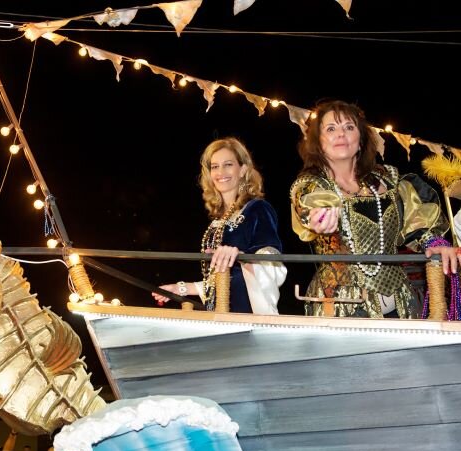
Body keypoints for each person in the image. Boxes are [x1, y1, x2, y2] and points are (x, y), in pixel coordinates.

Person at [290, 100, 459, 318]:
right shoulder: (310, 184)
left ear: (360, 140)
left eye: (349, 127)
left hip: (400, 304)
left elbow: (420, 225)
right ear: (318, 142)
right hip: (341, 307)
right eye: (331, 129)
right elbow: (312, 205)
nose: (341, 134)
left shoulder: (389, 180)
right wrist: (320, 215)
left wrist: (435, 243)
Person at [152, 137, 287, 313]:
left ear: (243, 170)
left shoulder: (257, 209)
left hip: (245, 317)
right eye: (215, 166)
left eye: (228, 164)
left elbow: (271, 259)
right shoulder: (219, 220)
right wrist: (180, 288)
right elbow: (220, 280)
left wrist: (241, 256)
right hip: (219, 316)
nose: (220, 172)